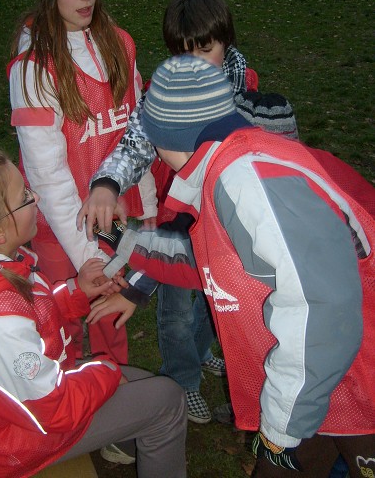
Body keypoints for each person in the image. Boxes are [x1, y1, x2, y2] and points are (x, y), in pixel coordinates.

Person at [87, 55, 375, 478]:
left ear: (167, 137)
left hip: (351, 376)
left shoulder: (248, 182)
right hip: (320, 384)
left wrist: (279, 428)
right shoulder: (226, 169)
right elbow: (214, 259)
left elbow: (319, 308)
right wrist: (128, 242)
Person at [80, 0, 298, 423]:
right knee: (178, 309)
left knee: (213, 306)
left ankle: (200, 354)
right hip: (181, 225)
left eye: (205, 48)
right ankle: (181, 381)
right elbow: (134, 142)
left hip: (236, 241)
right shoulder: (166, 95)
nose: (194, 63)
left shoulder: (260, 107)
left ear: (226, 41)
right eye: (183, 53)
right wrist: (106, 182)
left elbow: (285, 178)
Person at [0, 144, 187, 478]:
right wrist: (106, 370)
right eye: (24, 196)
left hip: (19, 412)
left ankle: (126, 439)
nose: (35, 199)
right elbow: (57, 408)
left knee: (146, 386)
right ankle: (141, 433)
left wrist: (76, 293)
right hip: (9, 447)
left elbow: (26, 311)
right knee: (167, 400)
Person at [7, 0, 157, 368]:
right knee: (65, 320)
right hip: (61, 228)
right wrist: (86, 256)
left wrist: (147, 210)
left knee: (111, 313)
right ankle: (72, 410)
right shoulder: (34, 70)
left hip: (117, 214)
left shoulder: (120, 44)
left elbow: (138, 131)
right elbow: (47, 176)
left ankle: (117, 394)